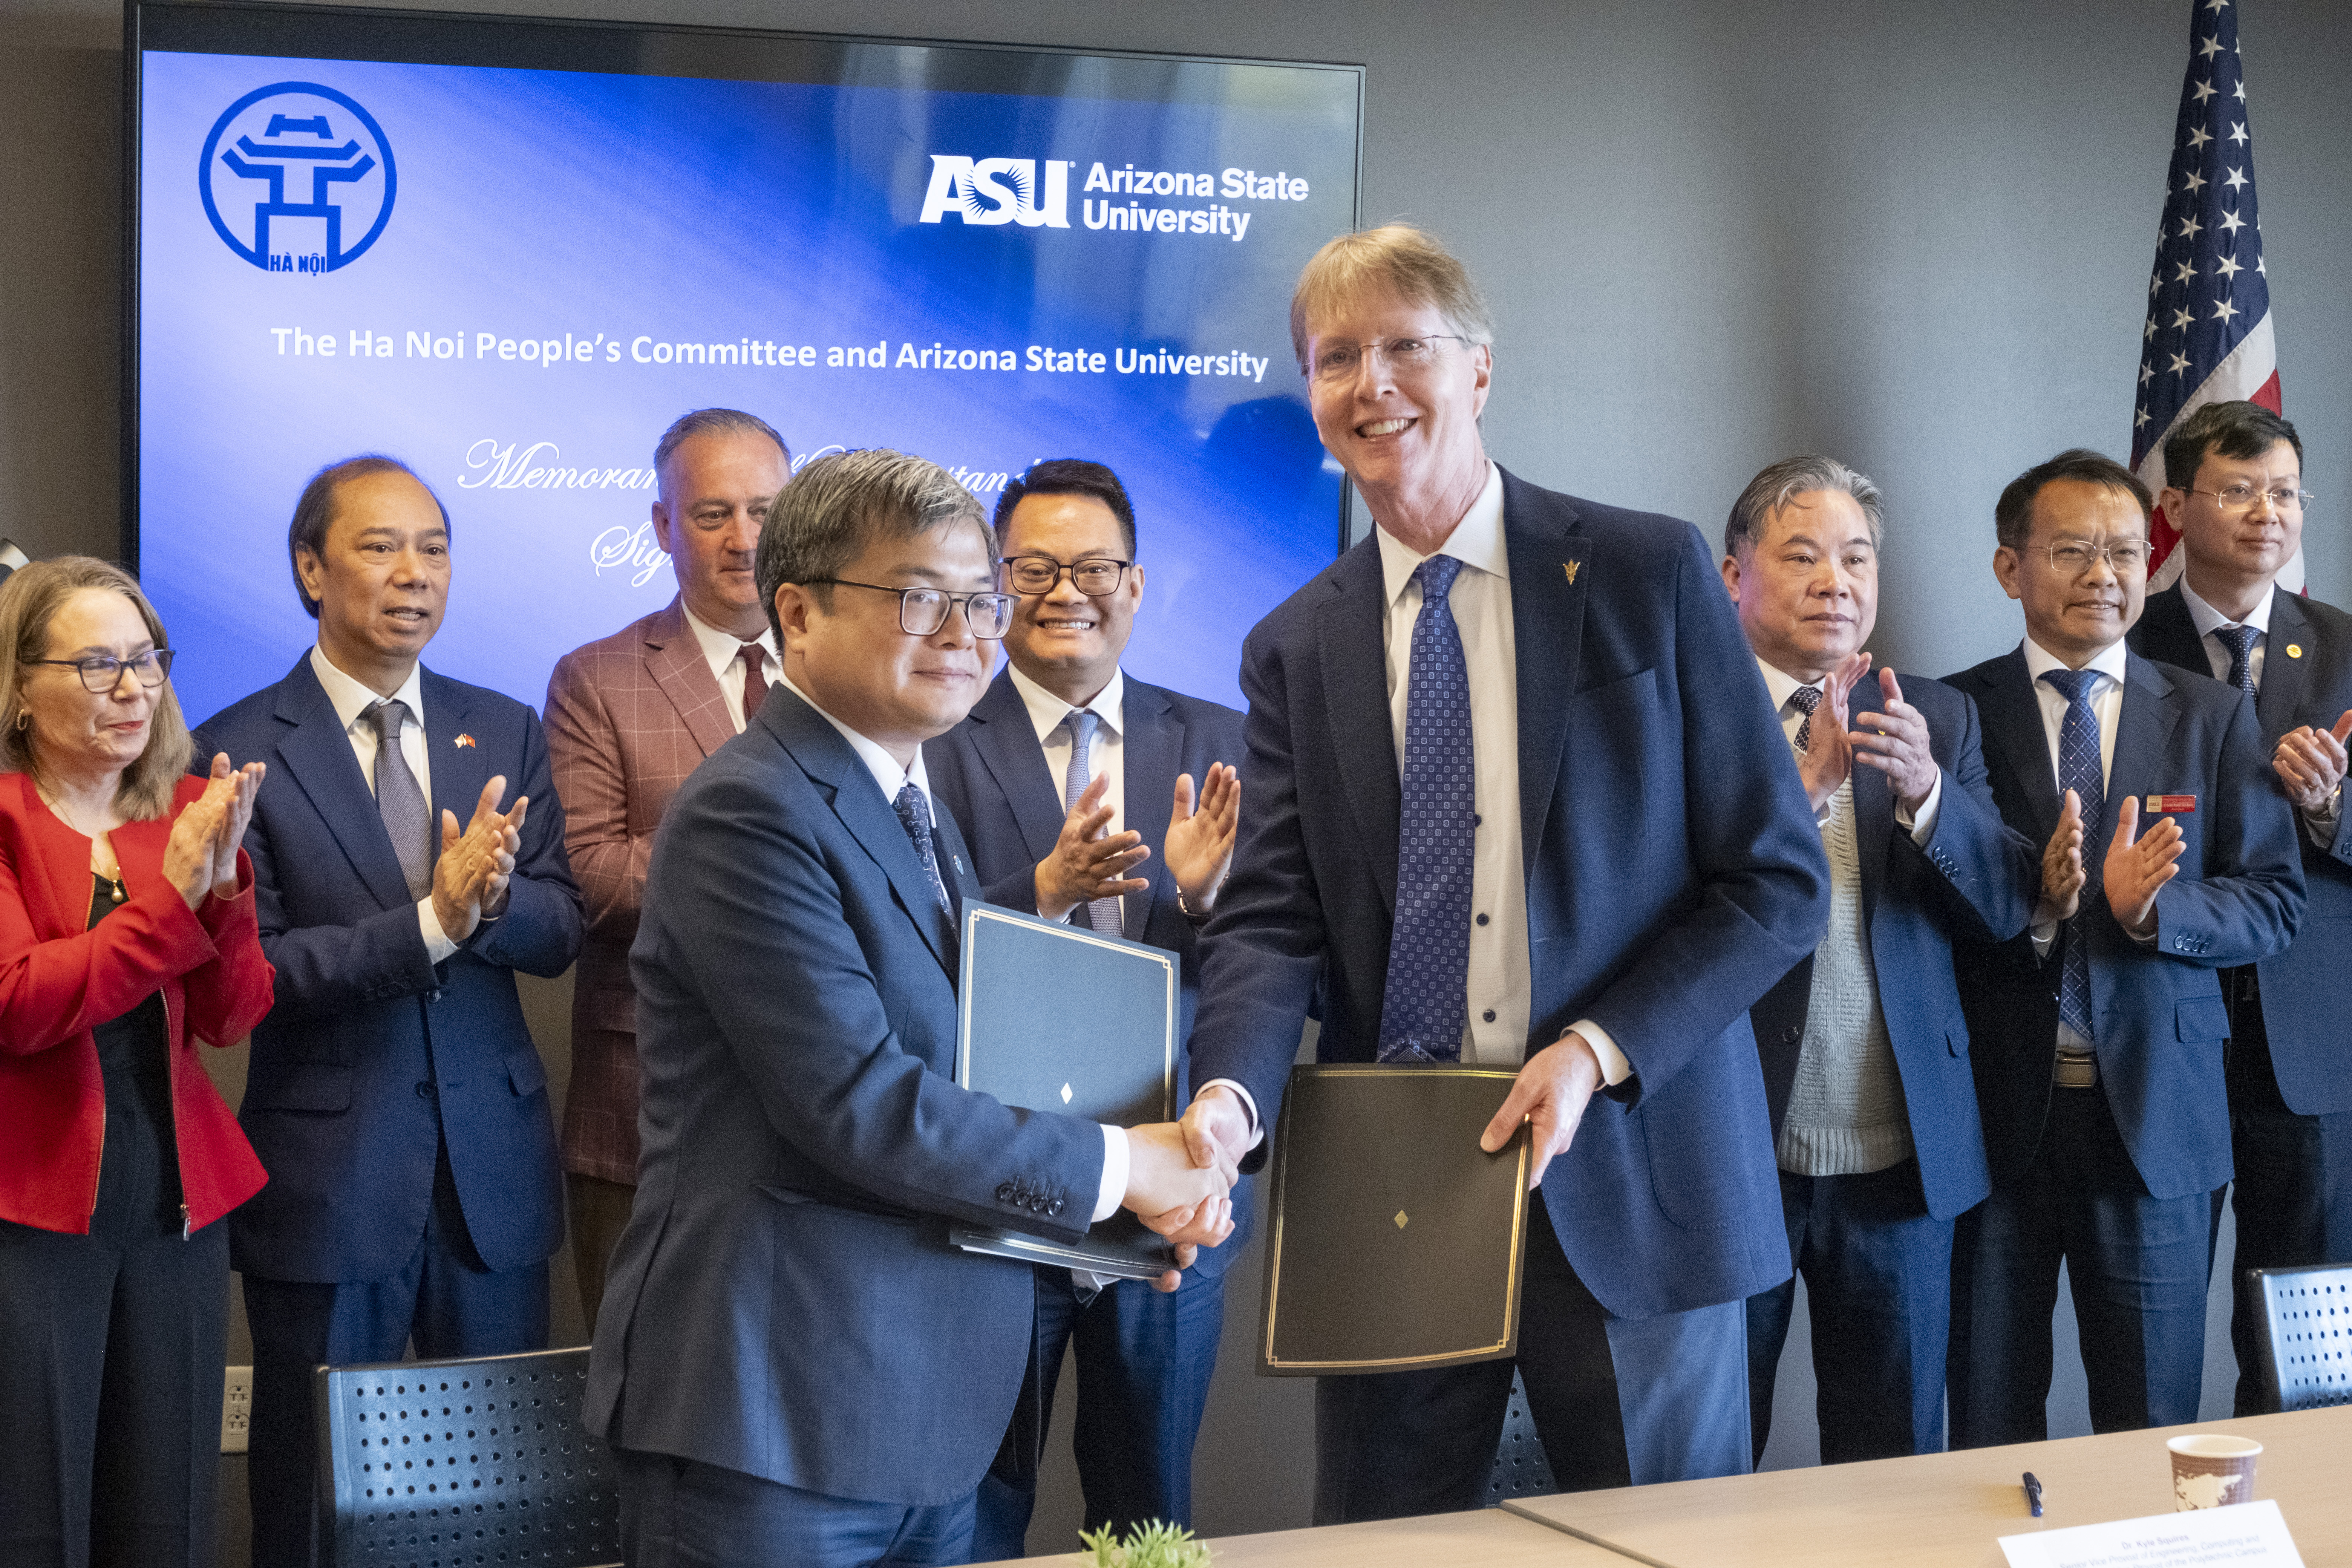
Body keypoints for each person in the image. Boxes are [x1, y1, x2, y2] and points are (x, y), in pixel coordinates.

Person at [1179, 224, 1832, 1520]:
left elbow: (1776, 883)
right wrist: (1226, 1107)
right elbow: (1269, 924)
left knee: (1664, 1548)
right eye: (1336, 357)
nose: (1373, 384)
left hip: (1635, 1174)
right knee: (1384, 1552)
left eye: (1406, 347)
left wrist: (1597, 1049)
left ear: (1479, 373)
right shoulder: (1294, 645)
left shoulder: (1645, 574)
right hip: (1398, 1189)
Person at [583, 448, 1236, 1568]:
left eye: (980, 602)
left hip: (923, 1420)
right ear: (799, 612)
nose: (971, 633)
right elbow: (863, 1105)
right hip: (775, 1421)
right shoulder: (749, 808)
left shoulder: (907, 803)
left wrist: (1127, 1225)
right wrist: (1129, 1169)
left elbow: (970, 1068)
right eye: (920, 600)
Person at [193, 456, 585, 1568]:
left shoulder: (503, 727)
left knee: (506, 1509)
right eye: (380, 548)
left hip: (490, 1180)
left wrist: (492, 906)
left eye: (435, 548)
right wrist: (432, 923)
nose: (414, 574)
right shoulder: (239, 747)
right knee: (314, 1506)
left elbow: (561, 930)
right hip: (328, 1180)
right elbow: (256, 971)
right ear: (312, 569)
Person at [1942, 448, 2302, 1447]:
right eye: (2072, 553)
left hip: (2160, 1123)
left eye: (2127, 552)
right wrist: (2045, 904)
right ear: (2012, 569)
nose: (2107, 575)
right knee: (1987, 1416)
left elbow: (2274, 905)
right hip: (1994, 1124)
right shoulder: (1953, 710)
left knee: (2151, 1426)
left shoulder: (2215, 716)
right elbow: (1928, 907)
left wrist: (2153, 917)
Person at [925, 458, 1245, 1556]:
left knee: (1151, 1507)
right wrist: (1042, 895)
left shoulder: (1226, 740)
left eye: (1097, 565)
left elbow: (1281, 960)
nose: (1069, 590)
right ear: (998, 585)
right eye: (1037, 568)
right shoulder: (932, 741)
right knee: (977, 1510)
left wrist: (1205, 896)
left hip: (1173, 1200)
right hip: (1001, 1189)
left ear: (1140, 584)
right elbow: (911, 956)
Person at [1720, 458, 2035, 1465]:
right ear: (1735, 577)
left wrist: (1930, 799)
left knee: (1892, 1458)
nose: (1836, 582)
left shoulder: (1933, 717)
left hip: (1899, 1162)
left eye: (1857, 557)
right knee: (1711, 1457)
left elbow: (2001, 911)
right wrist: (1803, 799)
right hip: (1733, 1155)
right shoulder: (1688, 717)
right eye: (1802, 556)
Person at [0, 556, 273, 1568]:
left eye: (148, 660)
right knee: (36, 1510)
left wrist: (226, 892)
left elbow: (234, 1014)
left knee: (170, 1512)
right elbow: (23, 1004)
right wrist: (172, 903)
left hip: (176, 1205)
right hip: (29, 1212)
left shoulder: (186, 811)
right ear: (21, 687)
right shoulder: (5, 817)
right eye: (98, 663)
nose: (133, 689)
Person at [2125, 400, 2352, 1413]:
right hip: (2166, 1034)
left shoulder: (2345, 647)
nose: (2269, 512)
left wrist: (2332, 814)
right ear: (2173, 506)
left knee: (2303, 1352)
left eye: (2287, 491)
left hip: (2310, 1052)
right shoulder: (2122, 636)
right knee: (2150, 1340)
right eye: (2239, 488)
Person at [544, 406, 791, 1326]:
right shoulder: (597, 677)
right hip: (645, 1108)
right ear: (662, 526)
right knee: (634, 1397)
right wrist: (770, 866)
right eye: (712, 513)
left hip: (826, 1109)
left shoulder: (851, 671)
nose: (744, 539)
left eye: (766, 510)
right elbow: (592, 874)